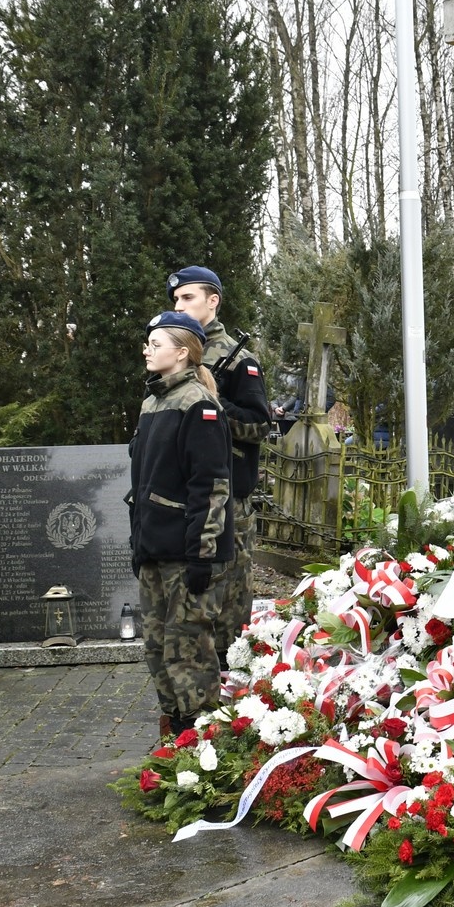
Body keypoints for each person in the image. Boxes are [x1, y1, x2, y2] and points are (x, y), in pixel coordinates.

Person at [129, 310, 234, 741]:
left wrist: (201, 555)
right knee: (157, 650)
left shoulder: (199, 405)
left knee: (188, 651)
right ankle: (175, 735)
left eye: (156, 343)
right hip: (155, 550)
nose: (147, 350)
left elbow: (210, 488)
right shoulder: (152, 403)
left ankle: (203, 744)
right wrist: (138, 543)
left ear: (183, 351)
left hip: (188, 554)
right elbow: (144, 482)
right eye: (148, 343)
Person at [168, 266, 272, 668]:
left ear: (213, 301)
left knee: (228, 596)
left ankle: (233, 678)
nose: (180, 304)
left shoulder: (238, 358)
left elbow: (260, 424)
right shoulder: (172, 352)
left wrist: (213, 404)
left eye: (188, 297)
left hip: (228, 496)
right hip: (184, 494)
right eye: (176, 300)